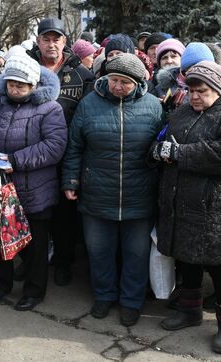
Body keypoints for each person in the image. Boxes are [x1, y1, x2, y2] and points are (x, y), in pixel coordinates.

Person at [153, 61, 221, 354]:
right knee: (188, 257)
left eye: (202, 91)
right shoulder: (183, 110)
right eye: (191, 90)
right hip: (182, 200)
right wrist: (159, 149)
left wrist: (179, 153)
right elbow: (164, 138)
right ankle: (189, 310)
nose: (195, 96)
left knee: (219, 264)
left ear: (217, 89)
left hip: (215, 205)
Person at [62, 53, 163, 326]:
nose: (117, 86)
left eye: (125, 82)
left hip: (140, 194)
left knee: (136, 253)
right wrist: (71, 180)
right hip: (97, 193)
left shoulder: (154, 106)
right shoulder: (89, 104)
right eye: (113, 80)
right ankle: (104, 295)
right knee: (99, 250)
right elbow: (75, 147)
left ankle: (131, 301)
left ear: (138, 82)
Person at [0, 55, 67, 311]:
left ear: (34, 85)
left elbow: (54, 146)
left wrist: (14, 160)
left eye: (21, 85)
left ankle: (34, 291)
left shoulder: (50, 108)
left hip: (34, 190)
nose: (15, 89)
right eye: (11, 84)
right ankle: (2, 285)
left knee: (35, 245)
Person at [27, 17, 94, 286]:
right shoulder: (25, 68)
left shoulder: (82, 74)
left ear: (64, 42)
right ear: (38, 41)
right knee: (33, 212)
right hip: (31, 155)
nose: (51, 44)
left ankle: (63, 262)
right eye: (46, 38)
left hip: (67, 155)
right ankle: (31, 262)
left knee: (65, 215)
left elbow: (87, 117)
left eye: (56, 39)